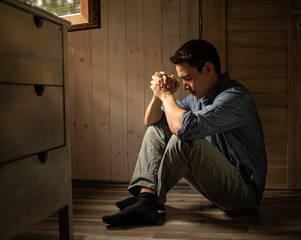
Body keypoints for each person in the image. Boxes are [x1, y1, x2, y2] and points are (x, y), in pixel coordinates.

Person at [102, 39, 267, 226]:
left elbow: (183, 129)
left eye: (187, 77)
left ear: (208, 69)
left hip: (243, 195)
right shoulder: (196, 99)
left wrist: (166, 95)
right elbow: (151, 121)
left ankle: (147, 202)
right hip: (217, 185)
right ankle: (146, 197)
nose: (184, 85)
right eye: (181, 79)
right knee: (158, 130)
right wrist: (158, 96)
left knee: (183, 138)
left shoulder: (235, 98)